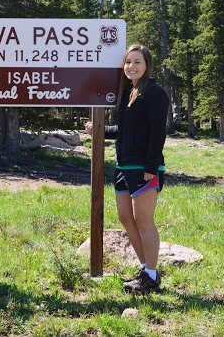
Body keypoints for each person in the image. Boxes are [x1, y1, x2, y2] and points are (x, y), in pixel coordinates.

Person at [85, 44, 168, 293]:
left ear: (147, 66)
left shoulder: (154, 93)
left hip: (144, 167)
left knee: (144, 221)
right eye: (128, 62)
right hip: (122, 166)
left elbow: (157, 133)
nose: (131, 67)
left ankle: (151, 277)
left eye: (137, 62)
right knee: (125, 217)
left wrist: (151, 167)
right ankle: (145, 271)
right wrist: (100, 131)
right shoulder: (128, 93)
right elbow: (128, 131)